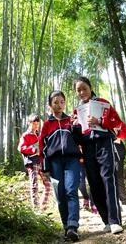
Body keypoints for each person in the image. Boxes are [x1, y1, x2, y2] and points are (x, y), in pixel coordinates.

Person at [72, 76, 125, 235]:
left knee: (108, 179)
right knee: (94, 183)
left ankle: (115, 221)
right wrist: (74, 127)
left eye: (84, 88)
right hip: (87, 147)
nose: (82, 92)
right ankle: (106, 221)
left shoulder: (103, 103)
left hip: (104, 143)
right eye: (78, 90)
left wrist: (100, 121)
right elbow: (77, 137)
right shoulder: (76, 110)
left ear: (90, 87)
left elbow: (117, 124)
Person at [39, 90, 82, 242]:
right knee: (60, 195)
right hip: (55, 162)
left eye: (61, 102)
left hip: (72, 160)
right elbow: (42, 147)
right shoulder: (46, 125)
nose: (59, 105)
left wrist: (77, 127)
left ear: (65, 103)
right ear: (50, 105)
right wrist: (45, 167)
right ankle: (66, 226)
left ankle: (72, 226)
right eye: (55, 102)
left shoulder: (71, 120)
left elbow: (79, 140)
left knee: (71, 190)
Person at [18, 114, 51, 210]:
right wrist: (33, 149)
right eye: (33, 123)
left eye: (37, 124)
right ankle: (36, 209)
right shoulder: (25, 135)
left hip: (40, 161)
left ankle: (42, 206)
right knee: (34, 185)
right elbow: (20, 148)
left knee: (48, 185)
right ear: (29, 123)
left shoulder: (39, 135)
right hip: (32, 162)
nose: (35, 126)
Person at [114, 122, 126, 215]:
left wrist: (117, 133)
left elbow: (125, 134)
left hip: (118, 149)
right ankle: (112, 204)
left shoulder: (117, 121)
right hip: (103, 151)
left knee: (119, 176)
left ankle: (124, 202)